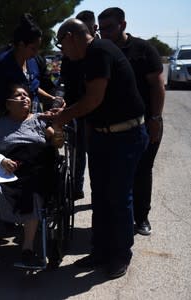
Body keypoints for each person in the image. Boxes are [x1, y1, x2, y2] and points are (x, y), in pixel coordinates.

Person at [51, 19, 148, 279]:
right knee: (102, 198)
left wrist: (63, 118)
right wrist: (66, 111)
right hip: (103, 136)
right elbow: (83, 99)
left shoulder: (100, 52)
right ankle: (101, 251)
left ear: (71, 36)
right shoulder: (85, 58)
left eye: (62, 44)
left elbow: (93, 98)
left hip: (125, 135)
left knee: (118, 197)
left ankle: (120, 254)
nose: (63, 51)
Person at [0, 84, 59, 269]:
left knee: (33, 189)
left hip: (34, 172)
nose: (25, 98)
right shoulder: (0, 124)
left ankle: (28, 250)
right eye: (19, 95)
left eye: (27, 95)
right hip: (8, 171)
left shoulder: (39, 120)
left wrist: (57, 122)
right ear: (8, 104)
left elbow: (56, 141)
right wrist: (1, 161)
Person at [98, 7, 165, 236]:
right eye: (101, 28)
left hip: (146, 121)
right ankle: (117, 223)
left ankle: (141, 217)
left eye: (109, 27)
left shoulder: (143, 50)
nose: (104, 33)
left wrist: (154, 119)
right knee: (117, 177)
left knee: (142, 170)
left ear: (123, 25)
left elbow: (158, 85)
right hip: (116, 126)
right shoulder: (101, 51)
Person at [0, 13, 57, 119]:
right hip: (10, 125)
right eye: (33, 48)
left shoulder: (32, 61)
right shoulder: (1, 64)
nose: (36, 53)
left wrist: (52, 98)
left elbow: (33, 87)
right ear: (21, 45)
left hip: (32, 120)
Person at [59, 10, 99, 200]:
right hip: (76, 110)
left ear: (93, 28)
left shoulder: (101, 50)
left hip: (97, 112)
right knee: (77, 152)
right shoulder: (69, 55)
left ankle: (99, 191)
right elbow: (65, 81)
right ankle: (76, 188)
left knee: (97, 154)